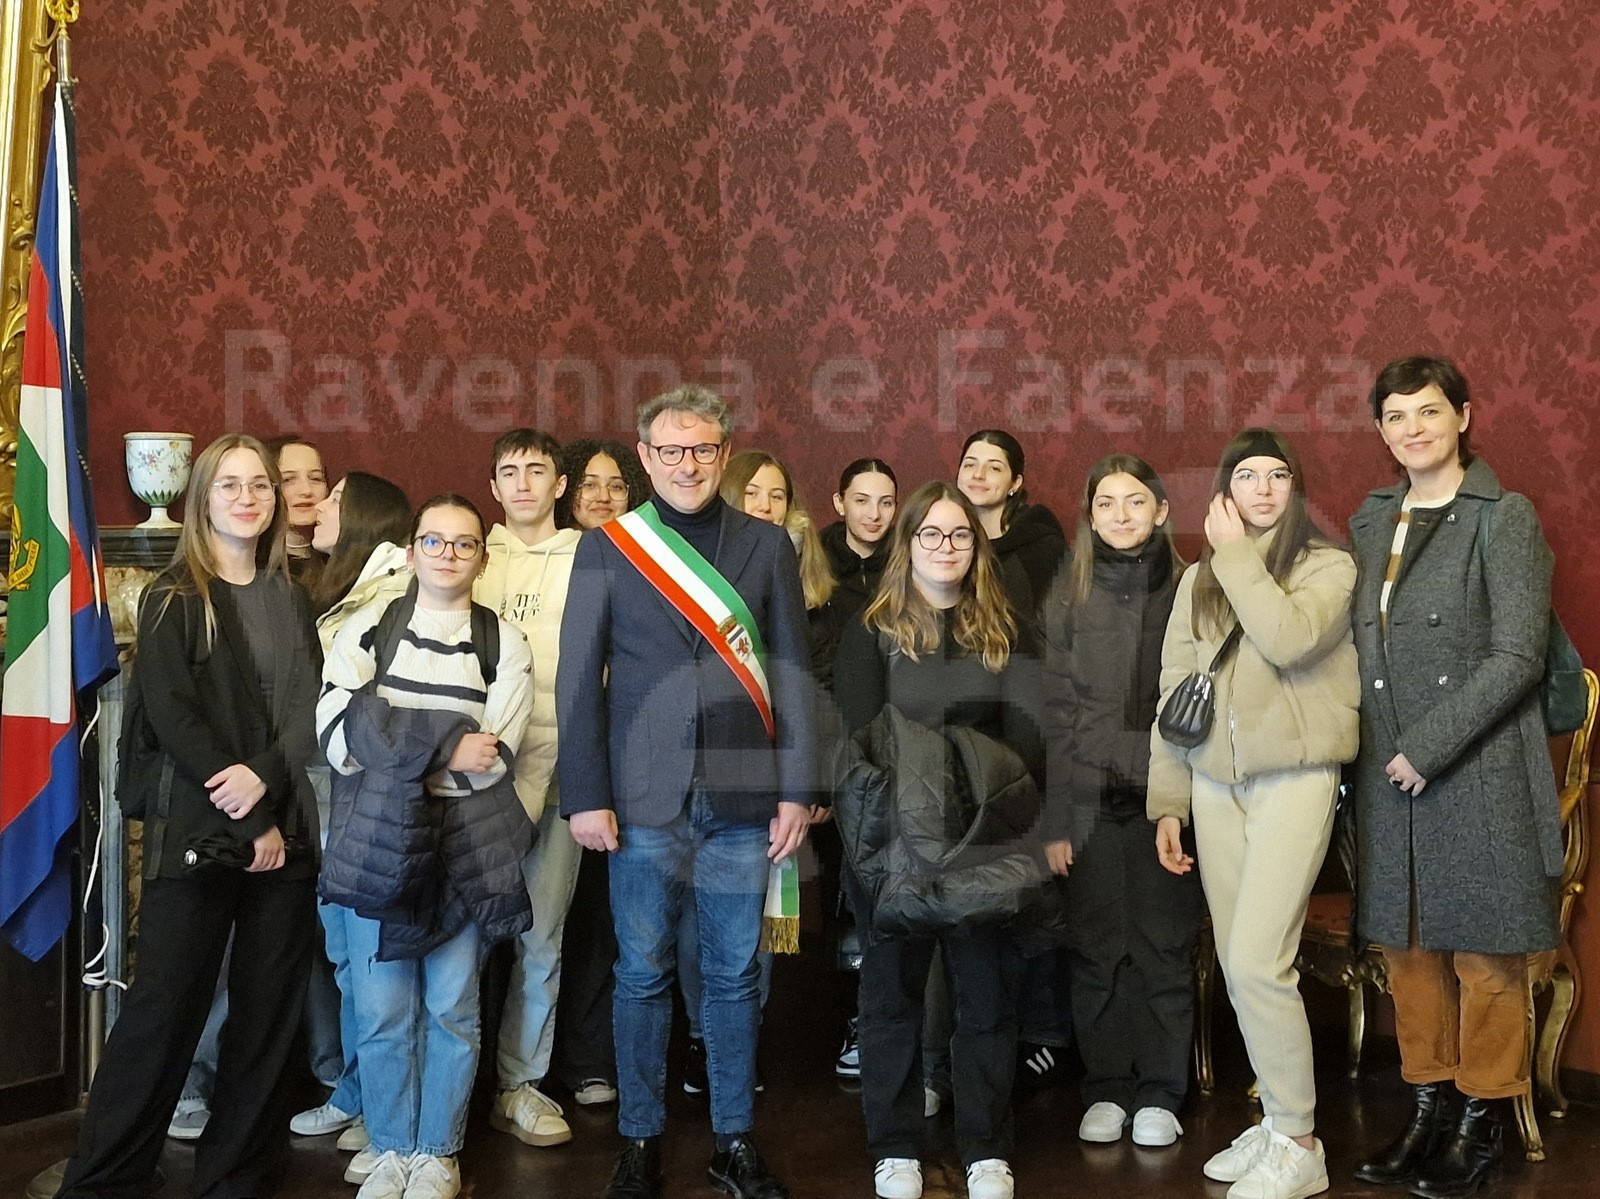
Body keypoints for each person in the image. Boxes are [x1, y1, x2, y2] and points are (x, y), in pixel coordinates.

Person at [557, 384, 815, 1199]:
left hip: (745, 796)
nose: (687, 464)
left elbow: (793, 670)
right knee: (641, 973)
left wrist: (798, 788)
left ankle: (733, 1140)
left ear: (724, 453)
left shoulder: (767, 544)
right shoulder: (608, 547)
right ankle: (639, 1139)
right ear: (646, 457)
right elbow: (576, 680)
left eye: (702, 449)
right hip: (640, 800)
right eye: (671, 450)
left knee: (734, 977)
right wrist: (584, 793)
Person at [53, 434, 322, 1199]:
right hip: (201, 830)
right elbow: (174, 716)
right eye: (229, 484)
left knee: (268, 1020)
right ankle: (104, 1179)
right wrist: (249, 816)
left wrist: (265, 782)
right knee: (163, 1012)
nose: (247, 497)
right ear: (203, 498)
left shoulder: (291, 596)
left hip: (286, 830)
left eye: (259, 484)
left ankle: (233, 1177)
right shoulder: (173, 596)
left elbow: (309, 709)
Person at [1348, 358, 1562, 1199]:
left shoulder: (1503, 517)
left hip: (1476, 768)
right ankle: (1428, 1111)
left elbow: (1518, 655)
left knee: (1483, 954)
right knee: (1408, 952)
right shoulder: (1374, 518)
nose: (1413, 428)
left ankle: (1481, 1124)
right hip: (1386, 768)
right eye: (1396, 416)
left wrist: (1427, 746)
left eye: (1429, 411)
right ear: (1381, 430)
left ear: (1464, 416)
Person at [1148, 428, 1359, 1199]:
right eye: (1247, 475)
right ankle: (1275, 1122)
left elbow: (1287, 638)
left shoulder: (1328, 566)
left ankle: (1300, 1141)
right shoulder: (1197, 580)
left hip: (1295, 777)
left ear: (1295, 488)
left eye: (1277, 475)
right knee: (1241, 963)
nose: (1263, 489)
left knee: (1257, 962)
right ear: (1226, 489)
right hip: (1213, 784)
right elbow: (1176, 690)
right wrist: (1169, 800)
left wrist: (1235, 555)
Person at [317, 494, 536, 1199]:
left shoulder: (504, 642)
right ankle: (389, 1148)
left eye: (463, 543)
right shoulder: (369, 627)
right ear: (411, 551)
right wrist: (444, 745)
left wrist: (391, 738)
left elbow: (492, 764)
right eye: (433, 541)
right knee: (382, 1008)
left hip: (461, 853)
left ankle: (437, 1152)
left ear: (482, 557)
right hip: (376, 846)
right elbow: (336, 740)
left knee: (451, 1006)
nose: (447, 554)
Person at [834, 480, 1047, 1199]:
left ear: (976, 546)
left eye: (960, 534)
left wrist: (975, 804)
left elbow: (1028, 741)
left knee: (986, 1001)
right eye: (931, 534)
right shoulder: (871, 629)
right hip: (895, 847)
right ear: (909, 544)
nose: (946, 547)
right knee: (891, 1001)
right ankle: (895, 1147)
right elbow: (862, 743)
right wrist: (920, 813)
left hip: (985, 841)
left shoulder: (1007, 628)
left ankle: (986, 1149)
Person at [1041, 454, 1199, 1147]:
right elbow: (1051, 710)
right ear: (1090, 515)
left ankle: (1162, 1091)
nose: (1121, 515)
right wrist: (1055, 817)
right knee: (1097, 950)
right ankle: (1106, 1086)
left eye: (1136, 501)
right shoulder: (1067, 593)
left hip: (1167, 801)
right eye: (1106, 503)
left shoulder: (1191, 587)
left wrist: (1178, 800)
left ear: (1160, 510)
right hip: (1087, 801)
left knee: (1163, 947)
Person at [288, 470, 414, 1177]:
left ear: (364, 515)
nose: (319, 505)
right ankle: (357, 1092)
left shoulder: (393, 591)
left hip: (368, 804)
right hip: (329, 797)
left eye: (335, 498)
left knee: (371, 966)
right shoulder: (344, 584)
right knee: (344, 955)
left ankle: (381, 1109)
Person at [477, 429, 595, 1145]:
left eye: (536, 470)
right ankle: (446, 1089)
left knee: (541, 939)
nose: (522, 483)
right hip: (473, 783)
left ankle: (520, 1084)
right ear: (493, 487)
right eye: (509, 472)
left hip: (559, 775)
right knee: (460, 945)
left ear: (560, 484)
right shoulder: (469, 551)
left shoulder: (593, 558)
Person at [547, 439, 648, 1108]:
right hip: (540, 763)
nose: (604, 496)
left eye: (617, 484)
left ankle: (595, 1060)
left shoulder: (650, 561)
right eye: (589, 483)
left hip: (627, 767)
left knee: (607, 923)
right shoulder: (543, 559)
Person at [955, 430, 1065, 618]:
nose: (978, 474)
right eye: (970, 465)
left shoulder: (1042, 546)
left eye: (994, 468)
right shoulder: (940, 540)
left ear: (1015, 483)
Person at [267, 434, 331, 587]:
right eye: (288, 480)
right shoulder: (250, 566)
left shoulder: (341, 566)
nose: (306, 490)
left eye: (315, 479)